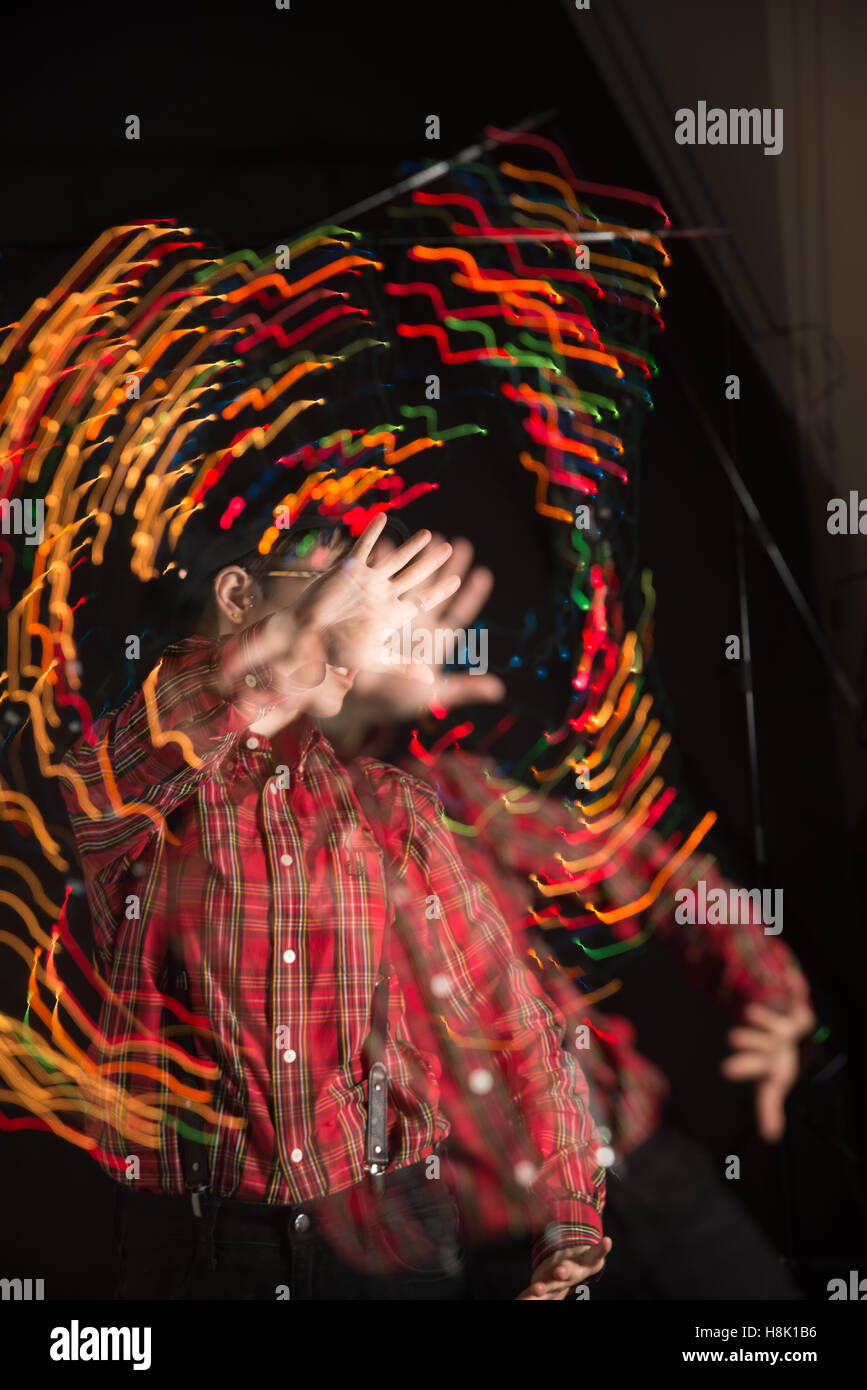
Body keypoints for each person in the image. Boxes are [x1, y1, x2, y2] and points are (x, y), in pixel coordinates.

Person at [58, 514, 610, 1301]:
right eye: (338, 585)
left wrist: (568, 1209)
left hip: (394, 1235)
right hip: (205, 1252)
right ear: (240, 592)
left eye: (378, 604)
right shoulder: (132, 776)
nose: (367, 626)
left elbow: (510, 1017)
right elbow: (161, 736)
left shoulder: (388, 809)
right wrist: (290, 653)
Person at [321, 534, 817, 1300]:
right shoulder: (228, 853)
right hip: (474, 1258)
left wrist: (769, 995)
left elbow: (653, 873)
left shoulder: (448, 794)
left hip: (636, 1176)